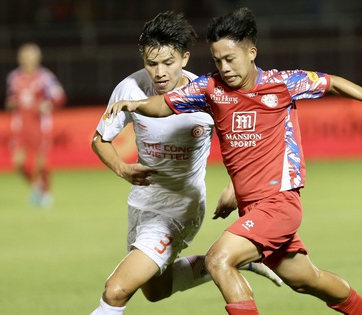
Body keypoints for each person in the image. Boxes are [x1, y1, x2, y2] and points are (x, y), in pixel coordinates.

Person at [104, 7, 362, 315]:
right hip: (252, 208)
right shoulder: (210, 88)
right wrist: (134, 104)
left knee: (219, 259)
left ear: (252, 52)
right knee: (305, 279)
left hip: (279, 204)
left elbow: (333, 83)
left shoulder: (282, 84)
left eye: (230, 59)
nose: (224, 67)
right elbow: (164, 104)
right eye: (217, 60)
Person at [90, 11, 281, 315]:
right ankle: (229, 259)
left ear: (185, 58)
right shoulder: (131, 88)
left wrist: (235, 186)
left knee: (116, 291)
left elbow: (247, 142)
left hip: (180, 208)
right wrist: (123, 169)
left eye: (168, 62)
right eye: (152, 63)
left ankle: (228, 258)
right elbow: (100, 140)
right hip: (141, 206)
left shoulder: (207, 94)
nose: (160, 72)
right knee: (155, 291)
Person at [5, 42, 66, 208]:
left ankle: (45, 193)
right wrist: (11, 103)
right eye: (25, 56)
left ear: (38, 58)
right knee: (18, 163)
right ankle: (37, 187)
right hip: (20, 125)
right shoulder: (14, 77)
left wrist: (48, 105)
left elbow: (59, 96)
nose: (28, 59)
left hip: (39, 124)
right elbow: (11, 99)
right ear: (20, 58)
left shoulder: (45, 77)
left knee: (40, 163)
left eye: (31, 55)